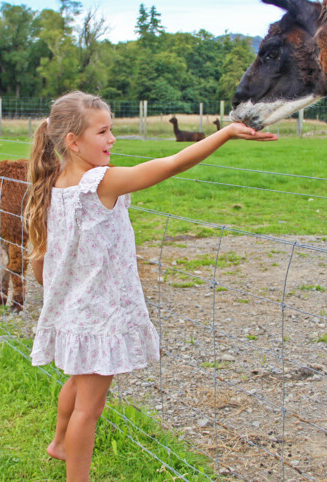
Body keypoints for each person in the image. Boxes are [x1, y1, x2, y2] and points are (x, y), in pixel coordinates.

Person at [24, 91, 276, 481]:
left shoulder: (52, 183)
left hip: (73, 310)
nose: (111, 140)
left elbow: (42, 263)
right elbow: (172, 164)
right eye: (103, 132)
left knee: (77, 380)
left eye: (112, 130)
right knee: (88, 410)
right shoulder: (100, 183)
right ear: (73, 142)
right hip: (99, 315)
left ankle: (58, 442)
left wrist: (58, 291)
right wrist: (225, 134)